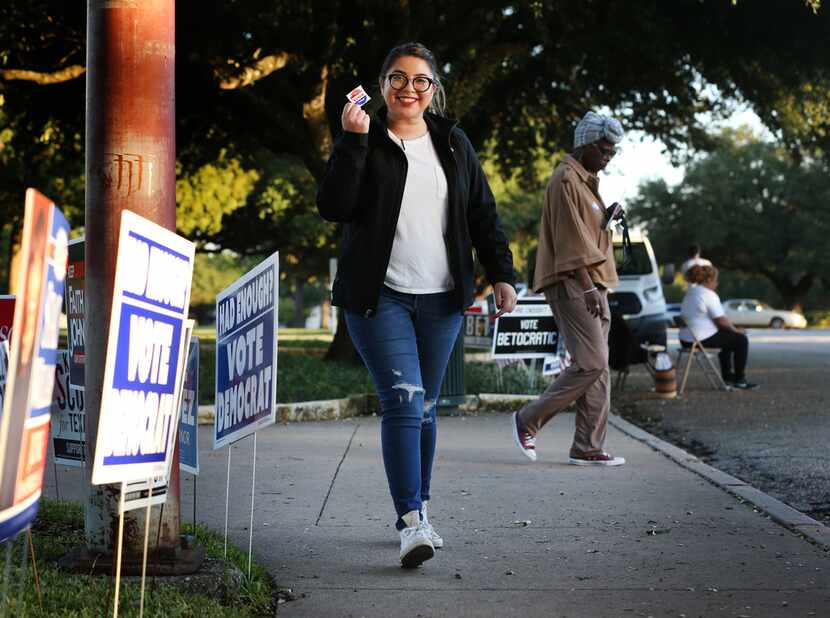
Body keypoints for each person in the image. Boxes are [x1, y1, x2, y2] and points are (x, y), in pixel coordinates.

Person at [316, 42, 517, 568]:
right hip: (378, 298)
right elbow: (334, 207)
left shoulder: (453, 142)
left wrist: (502, 275)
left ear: (434, 89)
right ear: (382, 86)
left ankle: (419, 508)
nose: (409, 88)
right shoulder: (364, 137)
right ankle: (410, 521)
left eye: (420, 80)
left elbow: (482, 213)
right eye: (398, 78)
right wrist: (352, 142)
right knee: (404, 403)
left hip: (443, 300)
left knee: (426, 408)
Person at [511, 111, 626, 466]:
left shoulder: (587, 182)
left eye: (613, 153)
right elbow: (568, 241)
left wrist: (607, 216)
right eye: (604, 151)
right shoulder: (565, 179)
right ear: (586, 145)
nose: (608, 158)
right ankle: (527, 420)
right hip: (575, 283)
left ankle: (588, 447)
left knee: (599, 368)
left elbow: (586, 232)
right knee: (591, 362)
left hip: (596, 283)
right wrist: (587, 286)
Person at [679, 264, 758, 389]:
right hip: (699, 340)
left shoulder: (690, 293)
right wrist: (736, 330)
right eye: (716, 280)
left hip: (685, 340)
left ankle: (728, 377)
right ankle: (739, 380)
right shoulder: (708, 294)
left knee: (727, 338)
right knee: (741, 340)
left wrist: (731, 330)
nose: (717, 283)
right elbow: (721, 320)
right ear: (709, 280)